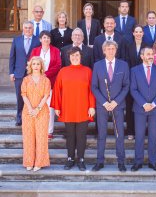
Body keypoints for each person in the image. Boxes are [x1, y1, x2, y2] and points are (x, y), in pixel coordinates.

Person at [51, 47, 96, 171]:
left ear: (80, 57)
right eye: (72, 56)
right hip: (67, 107)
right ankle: (70, 158)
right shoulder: (63, 71)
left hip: (83, 108)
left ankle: (81, 159)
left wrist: (92, 106)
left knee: (81, 135)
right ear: (68, 58)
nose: (74, 58)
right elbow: (57, 89)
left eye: (77, 55)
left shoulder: (87, 71)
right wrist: (57, 106)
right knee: (70, 135)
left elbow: (92, 90)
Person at [91, 40, 130, 172]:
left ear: (116, 50)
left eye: (113, 48)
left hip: (117, 105)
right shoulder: (97, 65)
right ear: (103, 51)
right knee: (101, 134)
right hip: (102, 105)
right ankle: (99, 161)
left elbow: (126, 86)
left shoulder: (123, 65)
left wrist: (116, 101)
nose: (111, 51)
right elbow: (94, 87)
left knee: (119, 133)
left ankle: (121, 162)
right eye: (108, 49)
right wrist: (104, 102)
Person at [130, 47, 156, 172]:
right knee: (139, 136)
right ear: (142, 56)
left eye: (152, 54)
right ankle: (138, 161)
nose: (151, 56)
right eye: (148, 54)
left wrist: (155, 103)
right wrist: (144, 104)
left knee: (153, 136)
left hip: (155, 109)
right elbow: (133, 89)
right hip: (140, 108)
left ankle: (153, 162)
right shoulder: (134, 70)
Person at [29, 31, 61, 139]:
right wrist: (38, 75)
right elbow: (31, 64)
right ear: (40, 39)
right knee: (36, 105)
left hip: (50, 82)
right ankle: (37, 130)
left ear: (50, 40)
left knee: (49, 108)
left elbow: (58, 65)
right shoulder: (35, 50)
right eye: (44, 37)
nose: (46, 39)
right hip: (36, 83)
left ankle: (49, 131)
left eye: (48, 38)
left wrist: (45, 74)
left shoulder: (55, 50)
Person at [21, 56, 51, 171]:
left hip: (42, 112)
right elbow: (24, 94)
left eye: (38, 64)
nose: (36, 66)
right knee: (28, 137)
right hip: (27, 112)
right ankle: (29, 161)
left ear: (41, 66)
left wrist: (37, 109)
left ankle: (39, 162)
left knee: (41, 137)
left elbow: (46, 95)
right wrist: (30, 109)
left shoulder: (46, 80)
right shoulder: (26, 80)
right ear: (30, 66)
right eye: (34, 64)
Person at [9, 21, 41, 126]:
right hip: (18, 73)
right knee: (20, 96)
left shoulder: (37, 40)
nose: (28, 29)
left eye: (30, 28)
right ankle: (19, 118)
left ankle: (31, 117)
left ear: (33, 29)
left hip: (33, 73)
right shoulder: (16, 40)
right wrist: (11, 72)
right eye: (26, 28)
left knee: (33, 96)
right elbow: (12, 57)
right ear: (23, 29)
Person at [125, 24, 148, 140]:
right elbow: (126, 63)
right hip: (130, 80)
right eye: (136, 32)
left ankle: (142, 131)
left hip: (144, 81)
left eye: (140, 32)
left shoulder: (147, 47)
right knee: (130, 106)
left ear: (143, 33)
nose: (138, 34)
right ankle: (130, 131)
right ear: (133, 33)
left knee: (142, 105)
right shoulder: (128, 46)